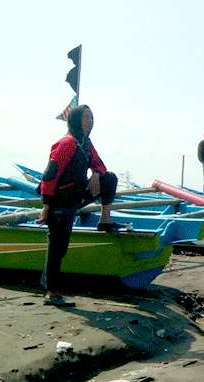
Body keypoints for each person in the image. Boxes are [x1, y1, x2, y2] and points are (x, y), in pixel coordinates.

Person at [37, 105, 123, 306]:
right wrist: (46, 206)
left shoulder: (85, 143)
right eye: (86, 118)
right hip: (59, 200)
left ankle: (105, 221)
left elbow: (100, 164)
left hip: (76, 195)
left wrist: (95, 173)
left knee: (109, 179)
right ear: (75, 120)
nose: (90, 121)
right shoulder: (67, 144)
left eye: (92, 118)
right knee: (59, 247)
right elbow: (50, 175)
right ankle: (51, 293)